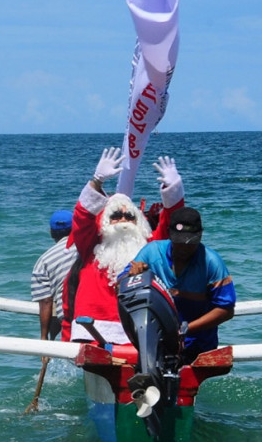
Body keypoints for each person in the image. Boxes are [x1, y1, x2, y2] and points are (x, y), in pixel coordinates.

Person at [61, 147, 185, 344]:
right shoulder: (91, 246)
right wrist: (97, 181)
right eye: (116, 216)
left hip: (141, 332)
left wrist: (173, 190)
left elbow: (171, 222)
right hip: (91, 332)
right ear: (104, 222)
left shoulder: (150, 247)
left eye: (129, 216)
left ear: (139, 222)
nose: (123, 220)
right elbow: (82, 217)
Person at [122, 206, 236, 363]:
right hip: (156, 341)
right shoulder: (151, 252)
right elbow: (120, 287)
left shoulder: (212, 262)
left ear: (200, 235)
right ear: (169, 233)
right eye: (179, 242)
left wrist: (185, 330)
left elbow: (226, 310)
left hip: (198, 344)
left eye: (191, 242)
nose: (184, 248)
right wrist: (131, 276)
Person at [30, 209, 78, 340]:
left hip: (69, 319)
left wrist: (44, 337)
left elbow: (46, 302)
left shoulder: (43, 261)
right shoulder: (88, 247)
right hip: (97, 313)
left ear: (51, 233)